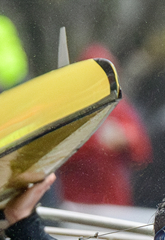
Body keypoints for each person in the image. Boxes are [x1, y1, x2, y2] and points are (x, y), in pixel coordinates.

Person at [55, 45, 153, 207]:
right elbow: (58, 153)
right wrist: (96, 142)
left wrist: (127, 138)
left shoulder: (120, 107)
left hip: (113, 201)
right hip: (75, 201)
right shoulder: (69, 109)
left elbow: (142, 151)